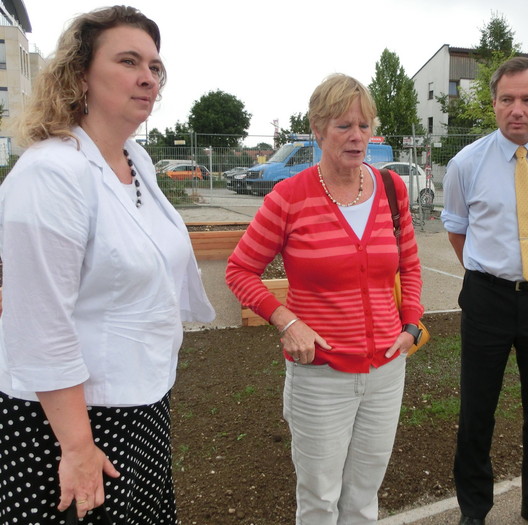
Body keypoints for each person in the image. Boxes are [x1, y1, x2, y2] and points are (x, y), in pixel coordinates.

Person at [0, 6, 215, 524]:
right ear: (80, 75)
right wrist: (76, 448)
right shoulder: (52, 173)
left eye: (155, 66)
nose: (148, 77)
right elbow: (40, 324)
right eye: (128, 61)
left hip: (140, 406)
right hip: (69, 425)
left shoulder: (134, 161)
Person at [226, 73, 423, 525]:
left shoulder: (392, 191)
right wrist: (286, 320)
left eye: (364, 125)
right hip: (322, 375)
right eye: (342, 126)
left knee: (364, 496)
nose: (356, 137)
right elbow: (240, 270)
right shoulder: (288, 198)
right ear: (317, 129)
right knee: (319, 499)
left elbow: (409, 267)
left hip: (387, 371)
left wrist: (410, 324)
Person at [441, 56, 528, 525]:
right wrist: (489, 277)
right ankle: (473, 510)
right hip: (488, 300)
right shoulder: (466, 163)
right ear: (495, 105)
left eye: (527, 99)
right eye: (507, 99)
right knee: (477, 411)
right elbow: (457, 229)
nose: (516, 109)